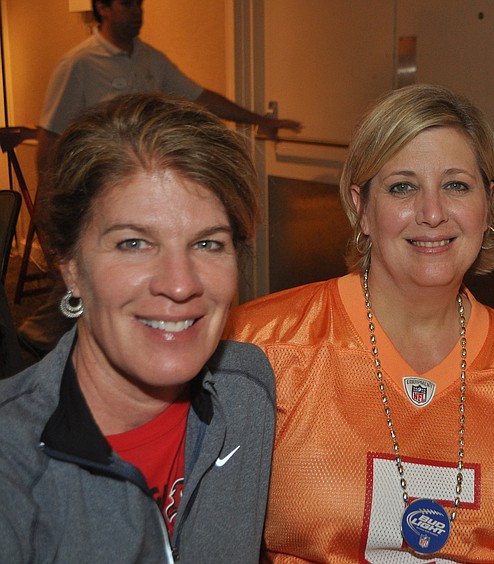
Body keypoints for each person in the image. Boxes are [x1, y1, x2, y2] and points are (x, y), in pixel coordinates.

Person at [225, 83, 494, 562]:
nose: (432, 213)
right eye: (402, 187)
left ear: (487, 202)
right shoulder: (259, 347)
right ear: (361, 208)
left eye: (456, 185)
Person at [0, 93, 276, 562]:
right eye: (133, 242)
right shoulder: (12, 462)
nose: (180, 284)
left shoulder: (246, 393)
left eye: (208, 243)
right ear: (69, 265)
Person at [17, 0, 302, 357]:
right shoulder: (78, 64)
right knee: (92, 309)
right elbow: (50, 142)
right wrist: (51, 211)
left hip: (154, 199)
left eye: (209, 245)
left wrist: (259, 120)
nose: (137, 11)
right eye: (126, 4)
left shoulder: (150, 58)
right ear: (103, 9)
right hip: (104, 203)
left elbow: (199, 97)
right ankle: (43, 344)